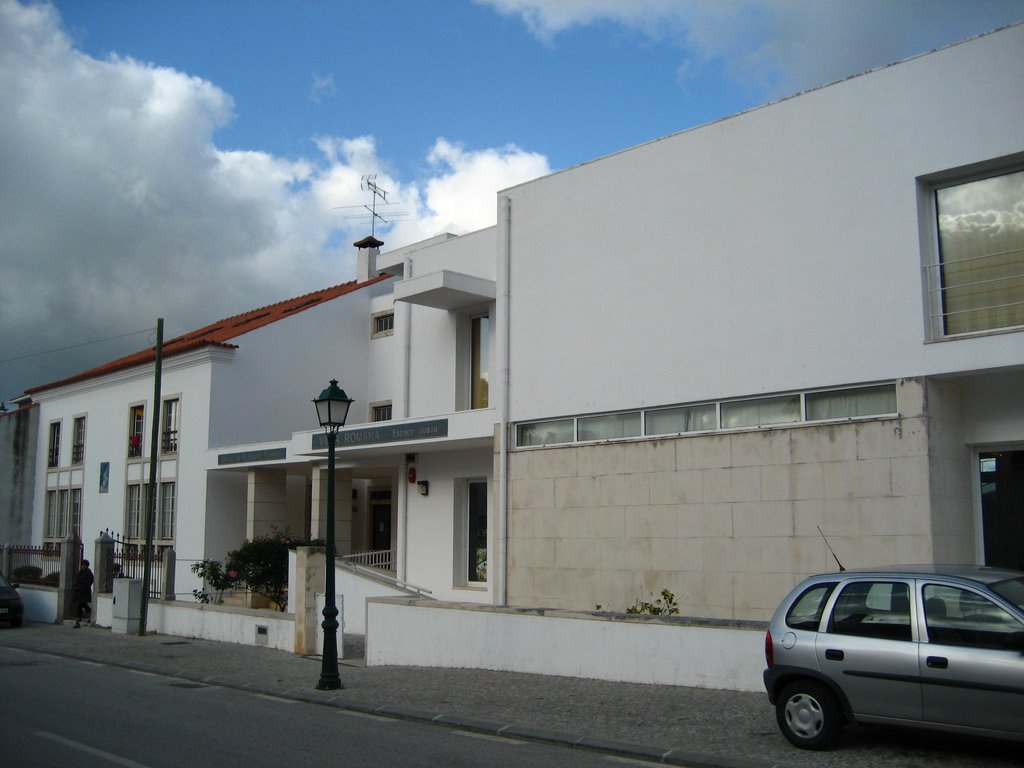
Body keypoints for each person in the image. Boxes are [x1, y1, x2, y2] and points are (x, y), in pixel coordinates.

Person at [73, 559, 94, 628]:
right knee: (81, 604)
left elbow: (89, 582)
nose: (83, 566)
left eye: (84, 565)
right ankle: (81, 617)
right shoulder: (80, 572)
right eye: (82, 565)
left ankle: (78, 619)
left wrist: (83, 587)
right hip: (79, 591)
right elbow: (77, 580)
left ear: (87, 566)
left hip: (84, 591)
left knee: (81, 604)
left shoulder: (89, 573)